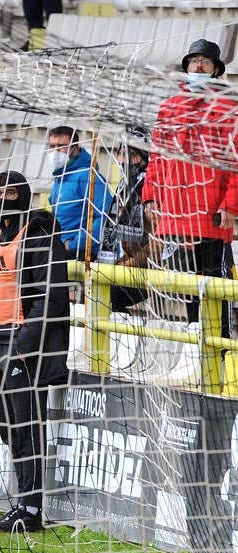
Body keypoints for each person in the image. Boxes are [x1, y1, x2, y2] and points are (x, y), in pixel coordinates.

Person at [0, 171, 71, 533]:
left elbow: (50, 298)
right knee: (7, 427)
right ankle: (23, 502)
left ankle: (31, 508)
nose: (0, 198)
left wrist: (24, 346)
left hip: (22, 344)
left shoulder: (38, 237)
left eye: (7, 192)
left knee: (27, 427)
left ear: (21, 195)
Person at [142, 39, 238, 334]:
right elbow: (157, 157)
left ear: (215, 69)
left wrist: (231, 205)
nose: (198, 65)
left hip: (211, 215)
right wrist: (150, 198)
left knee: (215, 285)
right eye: (194, 60)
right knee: (184, 284)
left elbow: (235, 162)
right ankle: (196, 340)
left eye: (205, 61)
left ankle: (218, 349)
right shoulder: (169, 107)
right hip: (175, 212)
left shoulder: (227, 107)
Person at [100, 132, 155, 313]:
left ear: (143, 159)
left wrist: (125, 265)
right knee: (96, 285)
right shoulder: (124, 187)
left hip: (154, 267)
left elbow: (158, 246)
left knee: (110, 293)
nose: (123, 160)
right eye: (121, 154)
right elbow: (124, 243)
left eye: (130, 155)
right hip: (132, 263)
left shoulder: (151, 190)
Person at [47, 126, 114, 264]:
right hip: (59, 250)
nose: (55, 152)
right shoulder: (60, 178)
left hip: (81, 254)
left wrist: (74, 244)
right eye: (52, 146)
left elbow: (105, 216)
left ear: (75, 149)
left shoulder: (88, 176)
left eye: (61, 146)